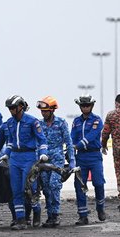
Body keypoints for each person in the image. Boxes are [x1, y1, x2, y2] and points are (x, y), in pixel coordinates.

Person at [1, 95, 48, 230]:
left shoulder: (33, 121)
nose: (11, 110)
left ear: (20, 107)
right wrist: (6, 155)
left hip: (29, 157)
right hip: (15, 158)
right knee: (16, 190)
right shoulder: (9, 123)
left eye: (13, 108)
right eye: (9, 108)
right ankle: (21, 220)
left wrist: (43, 153)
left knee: (29, 189)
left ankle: (37, 212)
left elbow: (42, 139)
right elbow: (10, 142)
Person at [36, 96, 75, 227]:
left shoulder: (61, 123)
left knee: (54, 185)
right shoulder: (39, 124)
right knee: (46, 188)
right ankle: (50, 216)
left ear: (52, 110)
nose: (43, 113)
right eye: (42, 111)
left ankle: (56, 214)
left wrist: (72, 161)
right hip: (43, 161)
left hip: (57, 161)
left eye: (46, 111)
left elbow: (69, 143)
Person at [71, 94, 106, 225]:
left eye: (87, 105)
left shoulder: (97, 120)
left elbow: (92, 135)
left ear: (91, 106)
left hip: (94, 155)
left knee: (98, 182)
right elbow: (72, 137)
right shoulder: (76, 121)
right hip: (80, 157)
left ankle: (100, 208)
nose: (85, 108)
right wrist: (71, 148)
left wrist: (79, 144)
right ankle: (82, 215)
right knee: (79, 185)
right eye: (83, 105)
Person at [102, 94, 120, 209]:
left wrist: (103, 145)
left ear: (116, 103)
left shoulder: (111, 115)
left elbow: (105, 132)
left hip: (118, 151)